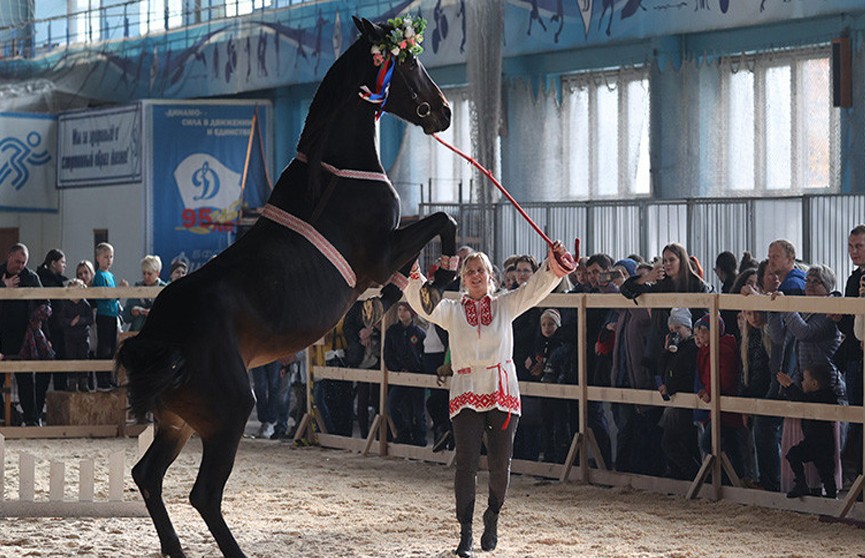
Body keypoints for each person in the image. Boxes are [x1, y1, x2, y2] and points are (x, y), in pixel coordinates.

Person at [404, 241, 570, 557]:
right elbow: (423, 302)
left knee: (499, 464)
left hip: (501, 389)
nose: (476, 275)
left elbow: (534, 289)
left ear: (490, 276)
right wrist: (412, 273)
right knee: (465, 462)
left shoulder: (504, 305)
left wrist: (554, 266)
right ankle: (465, 532)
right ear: (463, 279)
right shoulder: (451, 310)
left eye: (481, 270)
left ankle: (492, 514)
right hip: (466, 388)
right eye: (470, 271)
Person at [766, 264, 846, 494]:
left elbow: (805, 332)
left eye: (815, 282)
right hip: (803, 383)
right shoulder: (803, 309)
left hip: (826, 386)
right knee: (803, 437)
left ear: (827, 287)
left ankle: (827, 490)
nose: (809, 286)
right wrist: (774, 310)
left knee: (822, 445)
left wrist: (787, 307)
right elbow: (779, 335)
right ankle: (804, 486)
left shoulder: (827, 312)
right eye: (808, 281)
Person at [0, 244, 49, 426]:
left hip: (24, 337)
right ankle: (9, 414)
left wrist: (46, 336)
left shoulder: (30, 277)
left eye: (23, 263)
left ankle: (31, 419)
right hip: (1, 337)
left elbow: (46, 304)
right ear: (9, 256)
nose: (20, 266)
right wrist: (3, 286)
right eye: (17, 261)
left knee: (26, 382)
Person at [777, 363, 841, 498]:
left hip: (822, 442)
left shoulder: (824, 397)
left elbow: (803, 399)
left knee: (826, 473)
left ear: (814, 384)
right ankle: (801, 483)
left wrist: (790, 386)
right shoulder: (822, 396)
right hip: (813, 441)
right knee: (794, 455)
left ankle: (831, 499)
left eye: (804, 380)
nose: (802, 382)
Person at [694, 314, 745, 479]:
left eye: (704, 330)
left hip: (725, 405)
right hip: (718, 404)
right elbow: (708, 376)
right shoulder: (708, 350)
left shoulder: (722, 350)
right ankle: (732, 479)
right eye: (700, 330)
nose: (700, 333)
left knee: (712, 442)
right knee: (728, 444)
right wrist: (706, 390)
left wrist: (711, 391)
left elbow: (725, 377)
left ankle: (729, 479)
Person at [835, 225, 865, 482]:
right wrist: (838, 318)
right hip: (855, 356)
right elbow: (848, 327)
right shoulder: (853, 279)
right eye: (851, 246)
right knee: (857, 418)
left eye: (859, 246)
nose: (854, 251)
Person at [657, 308, 700, 480]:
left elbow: (688, 375)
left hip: (686, 402)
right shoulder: (675, 350)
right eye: (672, 330)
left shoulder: (691, 349)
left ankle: (693, 475)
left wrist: (671, 387)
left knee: (676, 442)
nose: (675, 333)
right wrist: (666, 350)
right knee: (674, 441)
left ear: (688, 328)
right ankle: (684, 475)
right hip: (675, 402)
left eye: (678, 329)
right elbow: (661, 369)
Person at [385, 301, 427, 446]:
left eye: (405, 310)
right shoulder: (392, 332)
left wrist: (418, 369)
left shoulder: (419, 333)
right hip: (399, 376)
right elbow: (388, 355)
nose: (402, 313)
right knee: (393, 405)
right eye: (400, 310)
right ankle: (403, 432)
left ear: (412, 313)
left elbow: (423, 355)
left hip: (416, 375)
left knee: (418, 410)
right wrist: (397, 369)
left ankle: (420, 438)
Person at [92, 243, 127, 390]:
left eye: (111, 257)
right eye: (105, 257)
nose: (109, 260)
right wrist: (117, 291)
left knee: (112, 347)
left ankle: (110, 377)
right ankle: (102, 380)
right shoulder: (99, 276)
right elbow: (103, 297)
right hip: (104, 314)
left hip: (113, 314)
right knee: (104, 346)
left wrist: (119, 292)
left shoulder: (110, 275)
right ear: (98, 258)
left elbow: (114, 298)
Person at [36, 248, 68, 391]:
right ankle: (37, 407)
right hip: (49, 329)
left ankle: (59, 406)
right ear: (53, 263)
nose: (64, 265)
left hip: (59, 329)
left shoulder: (57, 281)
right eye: (62, 262)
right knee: (45, 371)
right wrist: (47, 334)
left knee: (60, 368)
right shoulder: (45, 282)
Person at [57, 278, 93, 392]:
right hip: (70, 337)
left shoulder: (85, 304)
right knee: (71, 357)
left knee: (84, 357)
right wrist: (70, 322)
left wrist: (80, 321)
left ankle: (84, 382)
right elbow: (61, 320)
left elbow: (90, 319)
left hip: (83, 336)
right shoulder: (65, 305)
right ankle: (72, 382)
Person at [122, 255, 167, 332]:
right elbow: (125, 316)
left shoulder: (164, 289)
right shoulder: (137, 287)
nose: (146, 277)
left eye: (149, 274)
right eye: (144, 273)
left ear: (158, 273)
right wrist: (132, 312)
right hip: (137, 333)